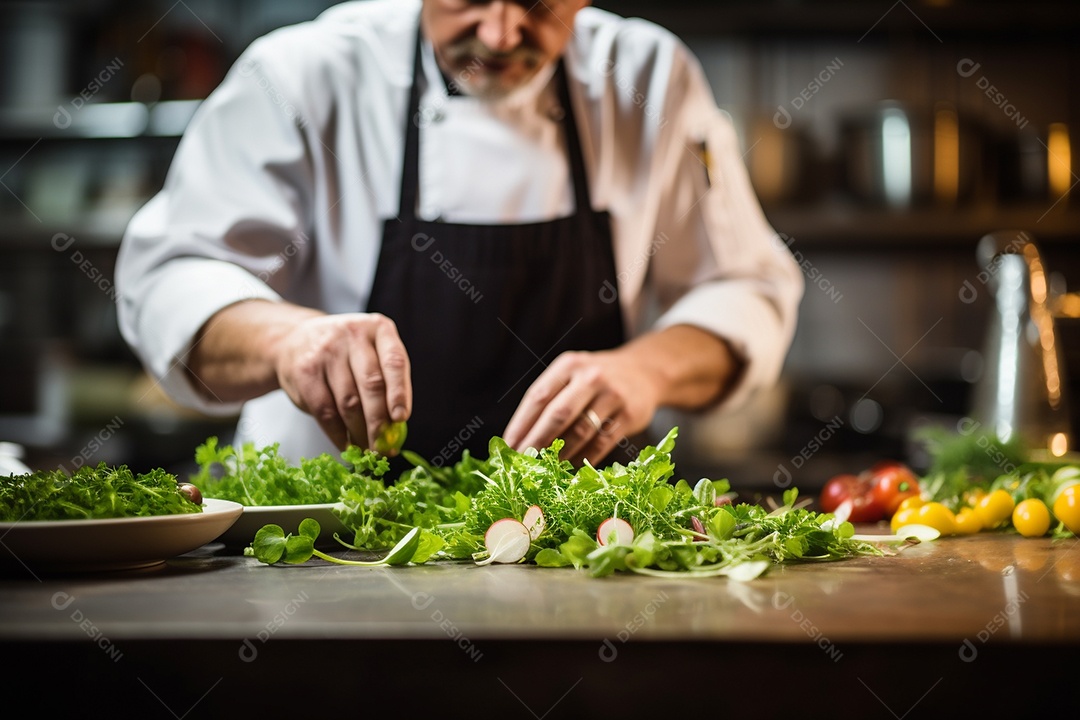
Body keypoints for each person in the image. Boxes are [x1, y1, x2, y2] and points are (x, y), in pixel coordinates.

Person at [115, 0, 804, 469]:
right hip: (320, 559)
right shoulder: (304, 75)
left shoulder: (648, 78)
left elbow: (744, 288)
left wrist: (646, 370)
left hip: (579, 555)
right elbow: (170, 278)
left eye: (538, 2)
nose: (502, 34)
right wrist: (287, 340)